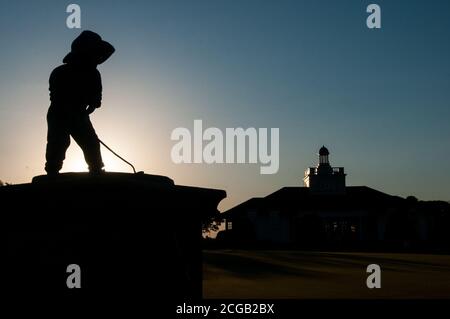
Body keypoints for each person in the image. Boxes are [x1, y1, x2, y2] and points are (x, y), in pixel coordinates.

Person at [45, 30, 115, 175]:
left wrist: (90, 106)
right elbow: (56, 96)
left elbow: (96, 98)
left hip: (80, 115)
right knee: (58, 142)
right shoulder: (59, 72)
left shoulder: (94, 74)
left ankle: (96, 169)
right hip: (59, 114)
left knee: (91, 143)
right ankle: (52, 170)